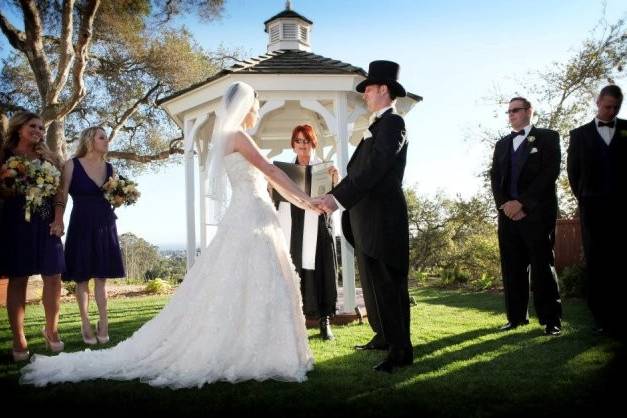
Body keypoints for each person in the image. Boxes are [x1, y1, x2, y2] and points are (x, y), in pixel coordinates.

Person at [20, 81, 316, 388]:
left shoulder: (226, 138)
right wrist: (306, 199)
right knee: (256, 276)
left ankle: (256, 344)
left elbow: (270, 177)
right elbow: (272, 172)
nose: (256, 111)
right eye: (255, 106)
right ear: (245, 107)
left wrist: (300, 200)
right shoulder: (239, 136)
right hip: (251, 213)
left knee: (243, 278)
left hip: (248, 212)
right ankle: (257, 349)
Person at [314, 60, 412, 373]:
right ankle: (383, 337)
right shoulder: (376, 128)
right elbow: (359, 172)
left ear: (384, 90)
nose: (364, 94)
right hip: (364, 221)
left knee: (389, 287)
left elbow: (375, 170)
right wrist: (334, 190)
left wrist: (336, 198)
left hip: (383, 221)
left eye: (368, 89)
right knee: (372, 285)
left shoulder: (393, 124)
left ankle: (400, 352)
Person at [489, 97, 562, 336]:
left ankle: (551, 320)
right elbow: (495, 179)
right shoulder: (501, 145)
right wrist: (505, 205)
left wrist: (522, 203)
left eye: (516, 110)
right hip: (507, 216)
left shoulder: (548, 138)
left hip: (537, 214)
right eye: (508, 111)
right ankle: (516, 318)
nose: (511, 115)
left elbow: (548, 174)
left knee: (542, 267)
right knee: (512, 269)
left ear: (529, 111)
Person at [0, 111, 65, 362]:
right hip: (17, 221)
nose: (39, 131)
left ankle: (52, 331)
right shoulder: (5, 155)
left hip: (47, 220)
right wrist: (15, 185)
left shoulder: (48, 157)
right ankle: (19, 340)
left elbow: (60, 191)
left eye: (41, 127)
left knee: (54, 276)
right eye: (33, 126)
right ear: (18, 128)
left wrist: (59, 218)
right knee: (18, 279)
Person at [567, 84, 627, 338]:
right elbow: (573, 172)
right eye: (607, 106)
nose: (611, 111)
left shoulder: (626, 129)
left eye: (616, 107)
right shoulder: (579, 135)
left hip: (623, 209)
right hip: (592, 208)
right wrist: (584, 197)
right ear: (598, 103)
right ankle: (601, 318)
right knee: (597, 262)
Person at [57, 126, 125, 345]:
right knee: (82, 278)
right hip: (81, 224)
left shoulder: (110, 168)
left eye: (106, 138)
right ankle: (85, 322)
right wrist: (59, 219)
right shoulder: (72, 165)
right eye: (102, 138)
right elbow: (62, 195)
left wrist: (122, 197)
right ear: (89, 140)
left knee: (101, 278)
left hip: (105, 224)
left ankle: (103, 322)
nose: (107, 141)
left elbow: (114, 199)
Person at [274, 124, 339, 340]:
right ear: (293, 145)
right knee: (293, 269)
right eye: (298, 141)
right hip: (291, 223)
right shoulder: (284, 170)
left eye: (307, 141)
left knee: (319, 267)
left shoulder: (324, 168)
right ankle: (292, 321)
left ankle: (324, 320)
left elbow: (334, 198)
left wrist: (335, 181)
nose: (303, 145)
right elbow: (275, 197)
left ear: (313, 144)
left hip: (316, 223)